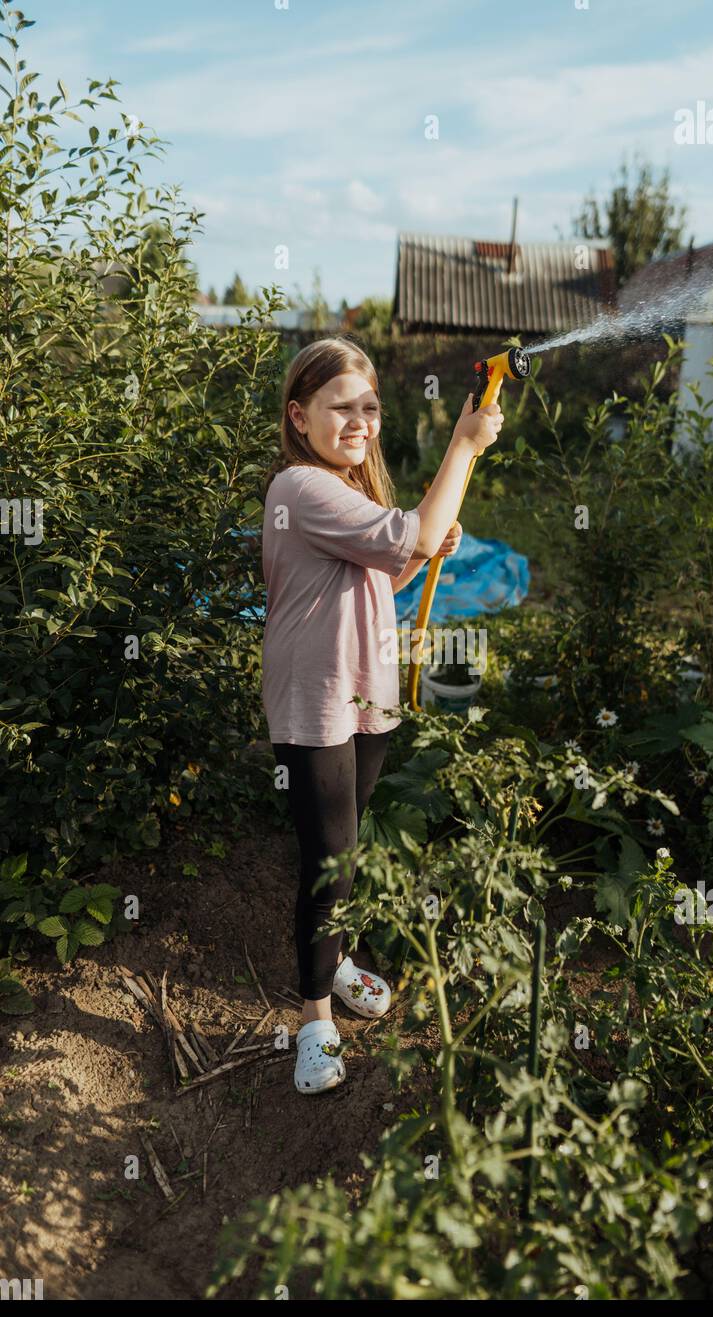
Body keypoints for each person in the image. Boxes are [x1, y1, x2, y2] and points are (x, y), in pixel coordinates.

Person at [260, 337, 503, 1093]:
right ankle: (313, 1017)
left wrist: (420, 554)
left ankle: (340, 965)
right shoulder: (301, 486)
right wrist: (464, 443)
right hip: (316, 699)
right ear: (300, 417)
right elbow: (418, 532)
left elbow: (389, 567)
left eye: (369, 407)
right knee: (328, 858)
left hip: (365, 689)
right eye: (341, 408)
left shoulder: (348, 491)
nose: (360, 420)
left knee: (350, 843)